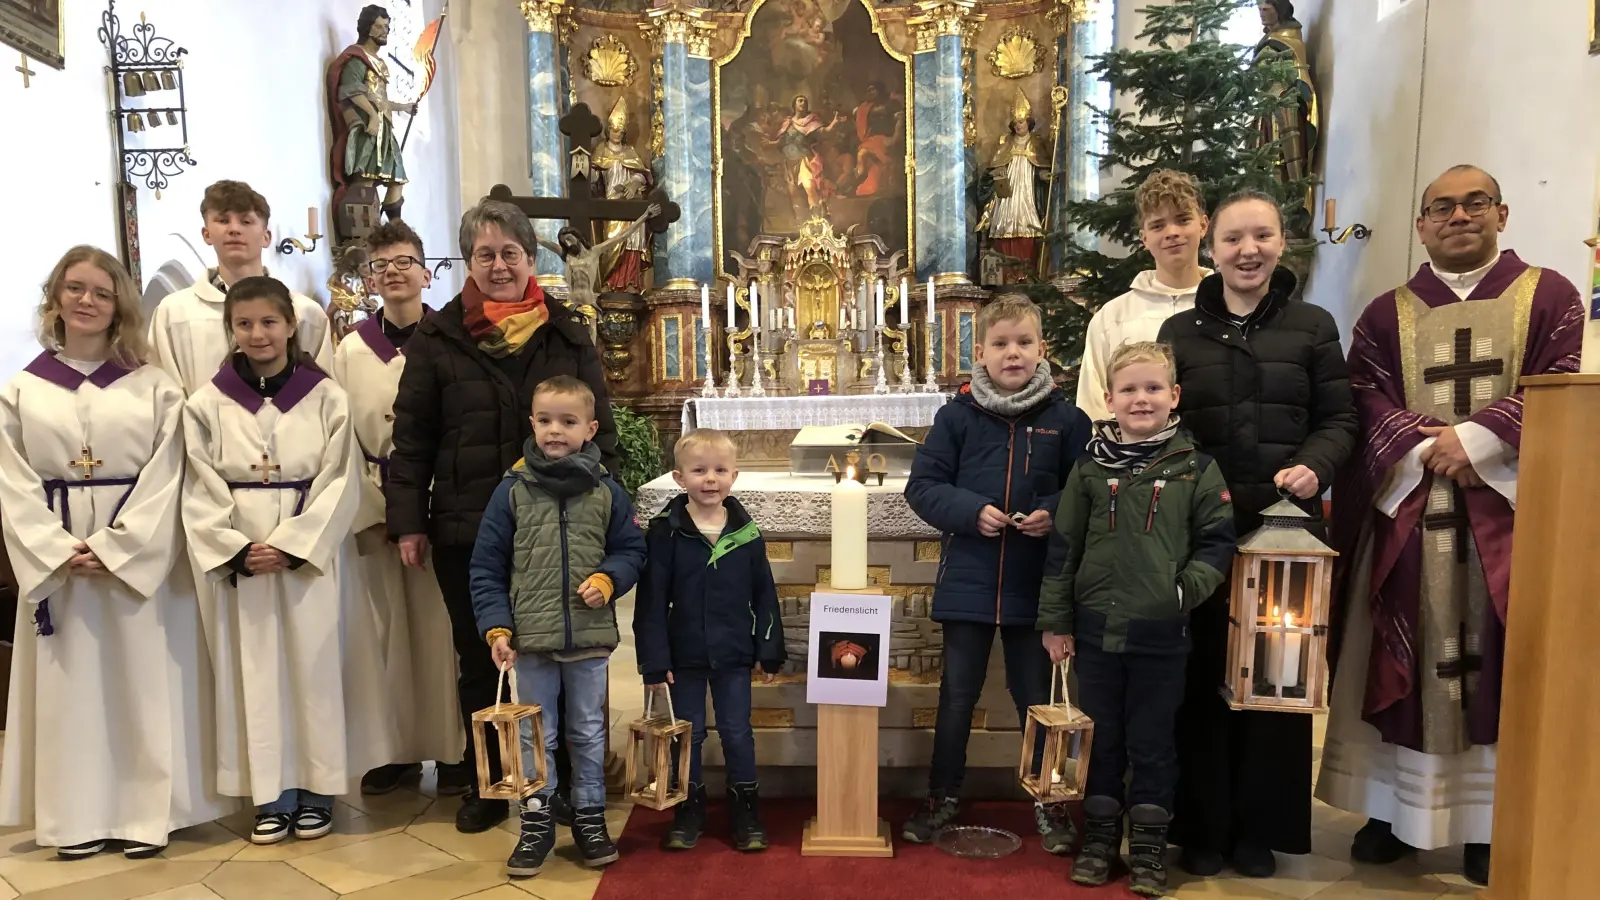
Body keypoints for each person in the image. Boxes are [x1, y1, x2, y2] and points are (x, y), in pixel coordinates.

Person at [1315, 165, 1585, 887]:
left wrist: (1478, 443)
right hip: (1413, 513)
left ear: (1501, 212)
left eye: (1473, 204)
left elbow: (1559, 379)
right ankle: (1394, 814)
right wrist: (1429, 447)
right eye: (1441, 207)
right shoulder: (1385, 313)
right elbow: (1363, 394)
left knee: (1498, 659)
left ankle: (1490, 825)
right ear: (1422, 225)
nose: (1458, 216)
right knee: (1403, 644)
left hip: (1509, 516)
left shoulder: (1550, 295)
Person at [388, 199, 619, 833]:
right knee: (479, 655)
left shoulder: (566, 333)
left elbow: (605, 434)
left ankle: (570, 780)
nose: (497, 265)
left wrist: (608, 512)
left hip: (563, 526)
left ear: (530, 258)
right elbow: (411, 437)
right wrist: (408, 519)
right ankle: (489, 783)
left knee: (565, 655)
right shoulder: (438, 338)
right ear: (468, 261)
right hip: (467, 525)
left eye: (509, 253)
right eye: (484, 254)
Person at [0, 247, 233, 859]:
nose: (86, 301)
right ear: (54, 299)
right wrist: (55, 548)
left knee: (142, 685)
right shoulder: (24, 388)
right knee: (73, 692)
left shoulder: (154, 388)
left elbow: (169, 472)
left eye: (100, 292)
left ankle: (144, 814)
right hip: (60, 559)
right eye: (74, 289)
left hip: (135, 556)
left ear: (119, 305)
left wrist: (118, 546)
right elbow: (12, 479)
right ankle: (74, 819)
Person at [1157, 191, 1356, 878]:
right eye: (1236, 238)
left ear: (1280, 243)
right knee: (1202, 675)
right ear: (1213, 247)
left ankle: (1259, 829)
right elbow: (1163, 424)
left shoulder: (1311, 326)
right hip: (1201, 533)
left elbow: (1341, 419)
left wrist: (1315, 466)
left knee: (1276, 679)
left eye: (1262, 236)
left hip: (1286, 534)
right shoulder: (1180, 334)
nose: (1249, 251)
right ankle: (1203, 826)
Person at [1038, 341, 1235, 896]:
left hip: (1160, 632)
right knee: (1101, 740)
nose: (1141, 398)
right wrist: (1056, 622)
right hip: (1096, 630)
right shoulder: (1089, 469)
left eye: (1153, 388)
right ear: (1109, 398)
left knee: (1152, 742)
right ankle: (1100, 839)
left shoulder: (1195, 468)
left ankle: (1148, 848)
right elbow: (1064, 549)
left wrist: (1181, 592)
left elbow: (1216, 544)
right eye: (1129, 389)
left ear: (1174, 397)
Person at [902, 293, 1093, 851]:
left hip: (1037, 587)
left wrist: (1052, 514)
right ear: (979, 352)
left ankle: (1049, 803)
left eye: (1024, 343)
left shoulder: (1067, 419)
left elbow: (1085, 489)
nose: (1014, 353)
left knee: (1035, 697)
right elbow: (924, 486)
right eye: (1002, 344)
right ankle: (942, 796)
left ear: (1042, 349)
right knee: (956, 696)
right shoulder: (955, 416)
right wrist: (970, 512)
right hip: (969, 580)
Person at [181, 276, 363, 845]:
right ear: (230, 330)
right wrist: (235, 548)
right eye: (244, 323)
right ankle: (270, 795)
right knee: (252, 673)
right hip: (243, 558)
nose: (257, 333)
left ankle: (316, 790)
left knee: (312, 668)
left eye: (268, 322)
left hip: (303, 557)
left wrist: (292, 543)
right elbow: (196, 481)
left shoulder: (327, 396)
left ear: (290, 325)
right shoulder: (205, 402)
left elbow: (341, 479)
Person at [471, 376, 647, 877]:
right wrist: (497, 628)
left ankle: (590, 815)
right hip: (530, 639)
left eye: (568, 422)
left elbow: (632, 551)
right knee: (534, 733)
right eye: (545, 420)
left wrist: (608, 580)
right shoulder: (512, 491)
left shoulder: (607, 491)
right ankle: (536, 818)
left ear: (590, 429)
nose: (555, 430)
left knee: (588, 730)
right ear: (531, 423)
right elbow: (487, 566)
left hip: (588, 636)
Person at [331, 220, 465, 796]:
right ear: (369, 278)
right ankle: (397, 749)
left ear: (426, 269)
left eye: (404, 261)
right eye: (380, 265)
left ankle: (454, 747)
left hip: (442, 498)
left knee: (443, 630)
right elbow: (336, 435)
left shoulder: (453, 335)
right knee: (385, 631)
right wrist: (372, 505)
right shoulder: (350, 348)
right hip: (373, 501)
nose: (393, 272)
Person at [633, 429, 786, 852]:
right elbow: (650, 603)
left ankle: (745, 810)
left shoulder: (745, 531)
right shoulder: (666, 531)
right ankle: (689, 809)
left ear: (734, 475)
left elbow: (765, 594)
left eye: (720, 470)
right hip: (683, 655)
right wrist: (652, 660)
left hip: (734, 652)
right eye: (699, 470)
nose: (711, 479)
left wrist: (767, 650)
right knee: (688, 734)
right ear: (679, 478)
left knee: (737, 731)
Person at [148, 180, 334, 395]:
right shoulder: (173, 313)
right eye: (223, 220)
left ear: (266, 237)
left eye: (246, 221)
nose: (234, 229)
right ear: (206, 234)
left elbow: (323, 395)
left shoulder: (305, 313)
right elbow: (163, 398)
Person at [1077, 170, 1212, 422]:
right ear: (1144, 238)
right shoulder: (1112, 317)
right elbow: (1093, 404)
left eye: (1182, 220)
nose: (1171, 232)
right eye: (1158, 225)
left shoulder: (1226, 307)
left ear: (1203, 225)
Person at [326, 5, 412, 227]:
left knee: (397, 179)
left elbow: (380, 98)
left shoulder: (380, 63)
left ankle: (395, 231)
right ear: (367, 28)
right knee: (365, 179)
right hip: (367, 128)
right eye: (379, 26)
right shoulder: (356, 58)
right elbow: (351, 90)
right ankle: (364, 234)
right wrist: (372, 117)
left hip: (385, 127)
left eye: (387, 26)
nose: (385, 31)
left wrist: (404, 107)